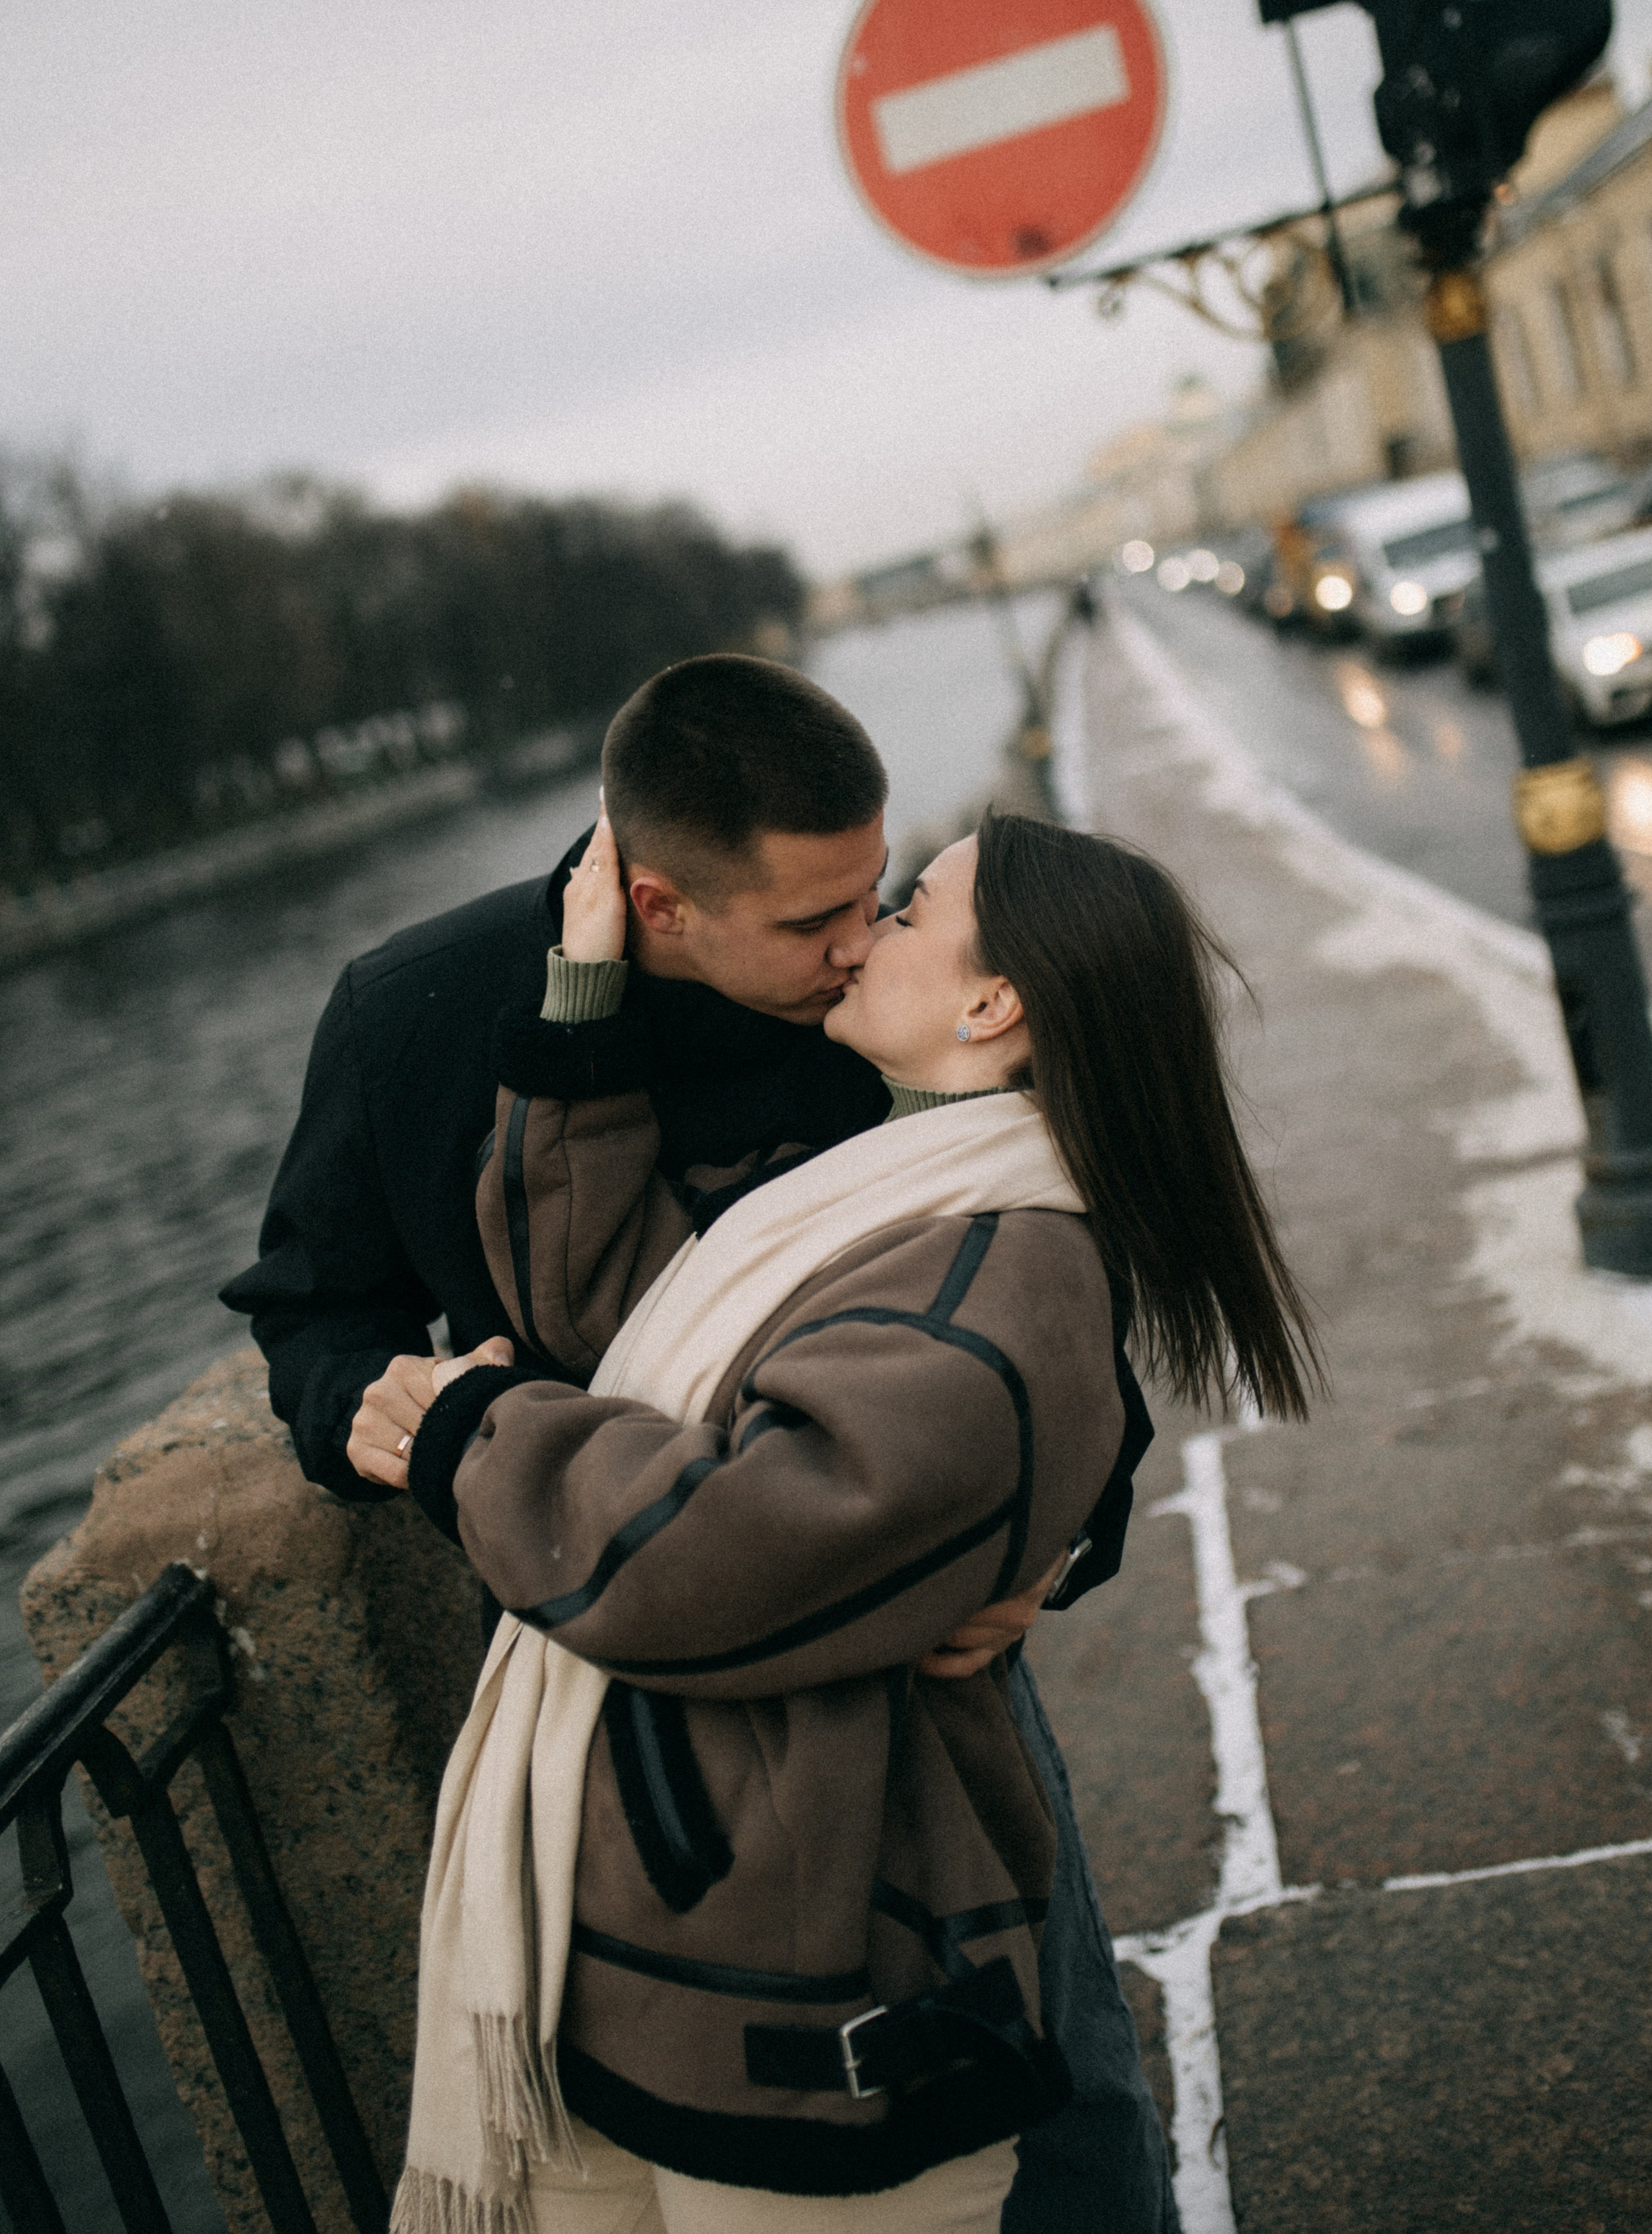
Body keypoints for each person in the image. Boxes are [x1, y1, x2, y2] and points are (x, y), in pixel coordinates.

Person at [222, 655, 1172, 2227]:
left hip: (899, 1663)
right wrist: (387, 1418)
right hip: (604, 1680)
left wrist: (1061, 1540)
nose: (856, 943)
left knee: (1061, 2086)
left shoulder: (867, 1009)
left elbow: (1047, 1296)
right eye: (813, 921)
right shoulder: (418, 1016)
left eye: (876, 896)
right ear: (659, 903)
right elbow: (312, 1317)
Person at [391, 808, 1318, 2234]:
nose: (863, 932)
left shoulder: (992, 1258)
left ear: (990, 1000)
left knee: (1068, 2130)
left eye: (906, 908)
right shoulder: (895, 1170)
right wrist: (583, 997)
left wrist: (466, 1432)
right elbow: (622, 1324)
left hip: (823, 1920)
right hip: (756, 1875)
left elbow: (726, 1545)